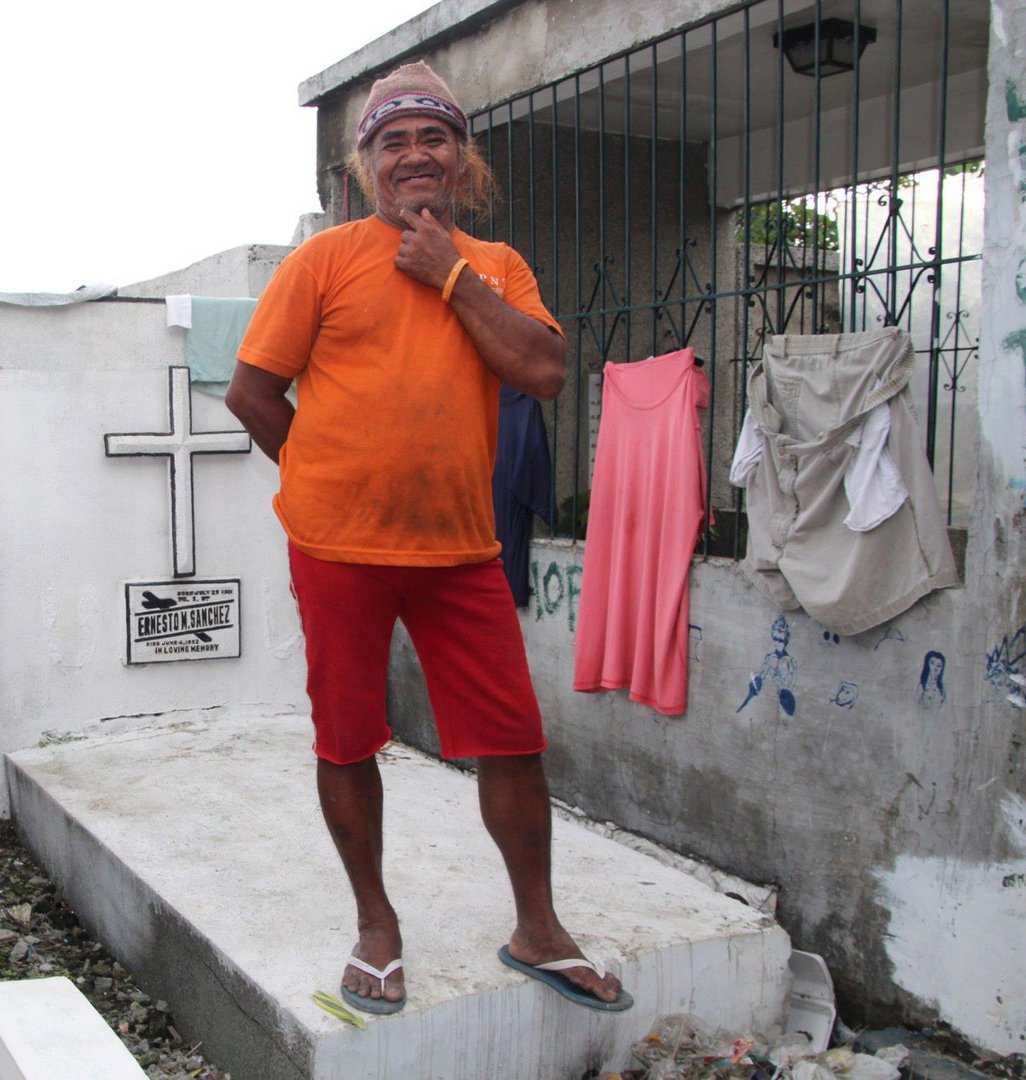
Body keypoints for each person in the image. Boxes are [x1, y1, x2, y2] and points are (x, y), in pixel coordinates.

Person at [225, 60, 629, 1015]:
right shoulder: (320, 263)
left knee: (512, 742)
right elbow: (251, 391)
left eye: (432, 138)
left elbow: (545, 370)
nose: (415, 155)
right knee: (347, 737)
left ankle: (537, 928)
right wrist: (326, 481)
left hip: (462, 553)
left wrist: (448, 272)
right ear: (369, 165)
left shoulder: (497, 267)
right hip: (336, 551)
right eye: (393, 141)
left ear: (461, 158)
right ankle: (377, 925)